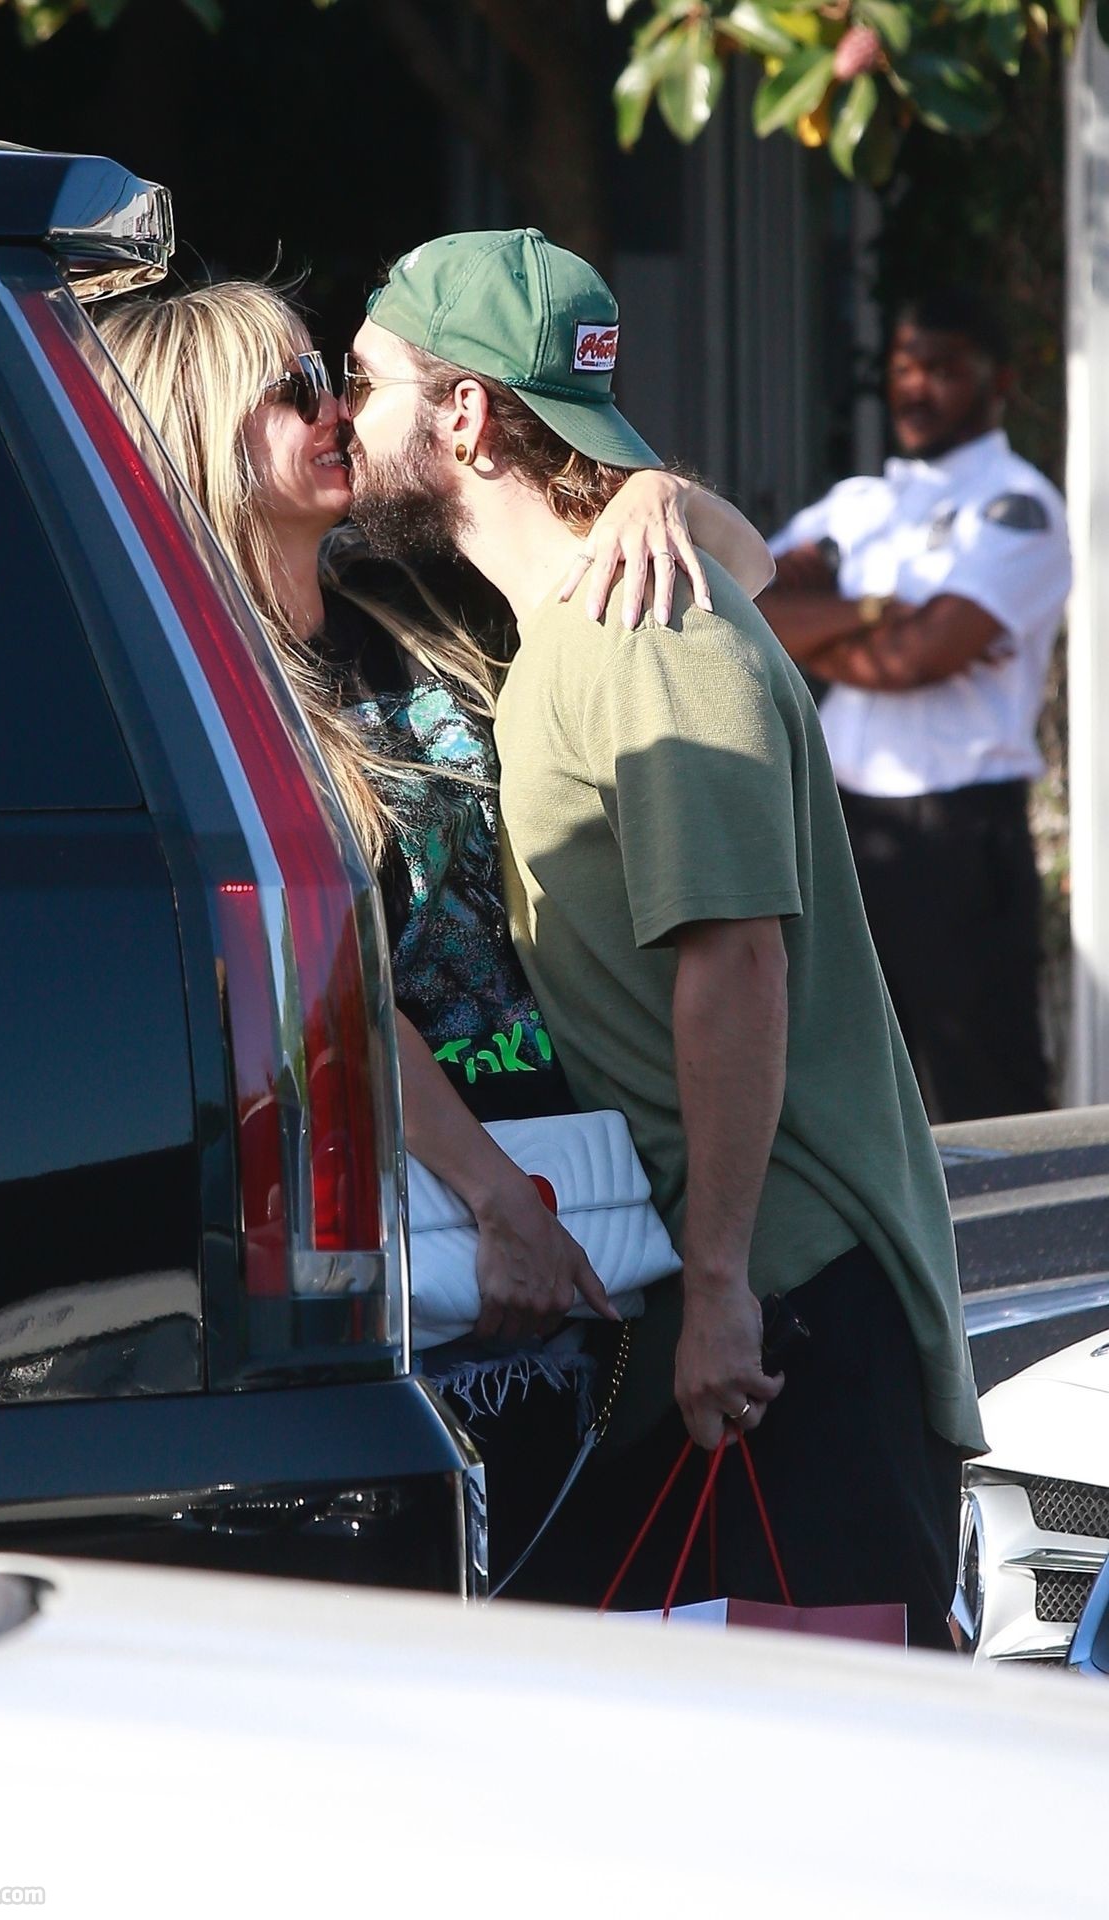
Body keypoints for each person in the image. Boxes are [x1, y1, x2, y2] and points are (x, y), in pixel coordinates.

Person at [342, 228, 985, 1647]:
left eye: (366, 378)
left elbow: (734, 964)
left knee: (826, 1770)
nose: (343, 411)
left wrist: (719, 1289)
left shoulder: (642, 629)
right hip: (721, 1312)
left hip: (789, 1312)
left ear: (464, 414)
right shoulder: (587, 611)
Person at [95, 279, 776, 1565]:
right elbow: (314, 981)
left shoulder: (411, 597)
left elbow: (743, 568)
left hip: (584, 1185)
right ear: (200, 436)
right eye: (292, 390)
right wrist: (496, 1199)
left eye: (333, 378)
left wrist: (651, 497)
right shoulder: (203, 697)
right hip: (423, 1222)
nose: (334, 409)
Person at [760, 290, 1072, 1124]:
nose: (916, 388)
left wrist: (829, 628)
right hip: (844, 824)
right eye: (904, 367)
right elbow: (750, 608)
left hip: (955, 836)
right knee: (847, 1085)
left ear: (997, 381)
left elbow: (915, 660)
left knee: (980, 1097)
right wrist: (873, 612)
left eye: (943, 369)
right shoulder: (860, 504)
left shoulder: (1017, 506)